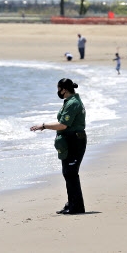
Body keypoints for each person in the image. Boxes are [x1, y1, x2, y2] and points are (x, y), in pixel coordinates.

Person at [30, 78, 87, 215]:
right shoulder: (69, 102)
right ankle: (72, 204)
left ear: (64, 89)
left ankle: (76, 207)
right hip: (70, 140)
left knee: (71, 173)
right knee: (68, 173)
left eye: (58, 89)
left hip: (75, 140)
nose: (58, 92)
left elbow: (63, 125)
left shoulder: (73, 103)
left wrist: (43, 126)